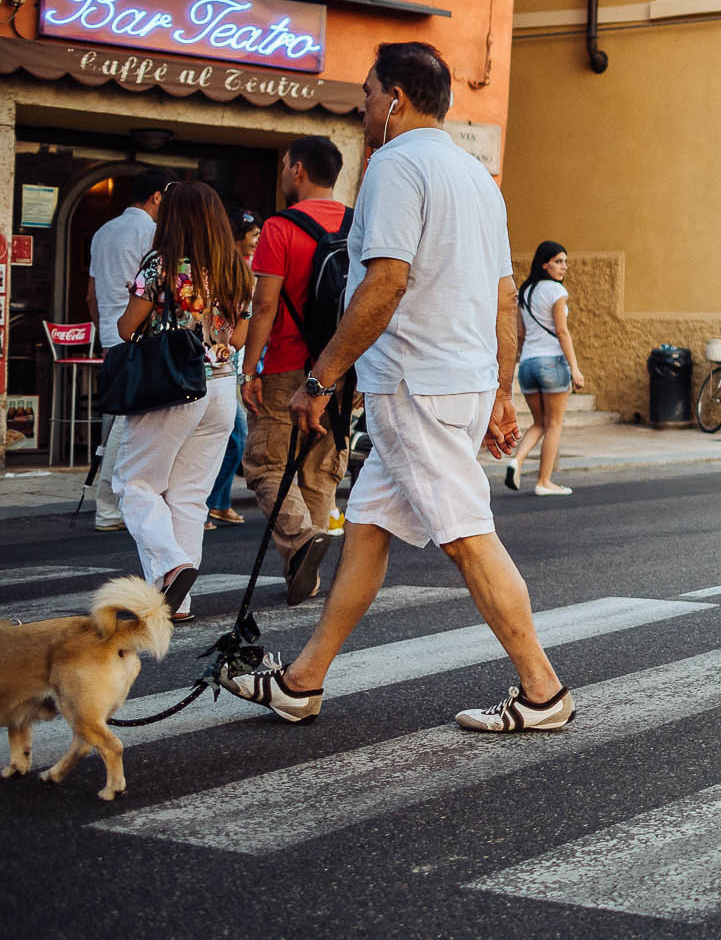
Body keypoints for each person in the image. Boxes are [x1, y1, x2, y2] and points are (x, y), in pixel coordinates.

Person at [223, 41, 573, 733]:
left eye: (367, 93)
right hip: (457, 382)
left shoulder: (392, 165)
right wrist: (499, 393)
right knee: (369, 528)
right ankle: (302, 682)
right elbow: (503, 297)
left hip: (415, 384)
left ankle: (543, 691)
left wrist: (319, 378)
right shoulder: (478, 179)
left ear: (396, 99)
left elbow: (386, 281)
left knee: (467, 535)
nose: (363, 107)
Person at [113, 181, 252, 622]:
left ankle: (171, 566)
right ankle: (176, 603)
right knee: (190, 497)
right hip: (221, 389)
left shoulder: (161, 263)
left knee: (135, 485)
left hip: (173, 387)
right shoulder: (237, 268)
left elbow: (126, 328)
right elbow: (240, 337)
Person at [242, 136, 352, 605]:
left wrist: (249, 369)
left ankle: (302, 541)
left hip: (288, 365)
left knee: (266, 464)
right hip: (342, 368)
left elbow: (265, 304)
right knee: (320, 469)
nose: (284, 171)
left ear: (299, 170)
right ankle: (304, 571)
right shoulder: (358, 224)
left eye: (286, 164)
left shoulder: (279, 227)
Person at [84, 168, 174, 532]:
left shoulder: (103, 231)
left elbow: (91, 295)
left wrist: (106, 328)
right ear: (157, 196)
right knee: (128, 427)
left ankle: (116, 505)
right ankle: (110, 508)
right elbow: (152, 291)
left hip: (111, 336)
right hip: (137, 336)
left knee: (115, 423)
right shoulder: (150, 233)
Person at [508, 241, 589, 495]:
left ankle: (516, 461)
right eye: (558, 261)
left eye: (565, 262)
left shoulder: (525, 292)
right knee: (554, 424)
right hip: (552, 362)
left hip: (528, 364)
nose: (564, 267)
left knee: (540, 422)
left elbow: (520, 334)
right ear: (545, 264)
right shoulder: (556, 291)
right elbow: (562, 332)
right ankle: (544, 482)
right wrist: (575, 368)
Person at [204, 209, 261, 529]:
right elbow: (237, 336)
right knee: (236, 435)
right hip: (219, 367)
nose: (257, 242)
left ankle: (218, 502)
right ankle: (208, 502)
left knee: (231, 436)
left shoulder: (237, 269)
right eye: (254, 236)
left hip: (225, 367)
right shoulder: (230, 272)